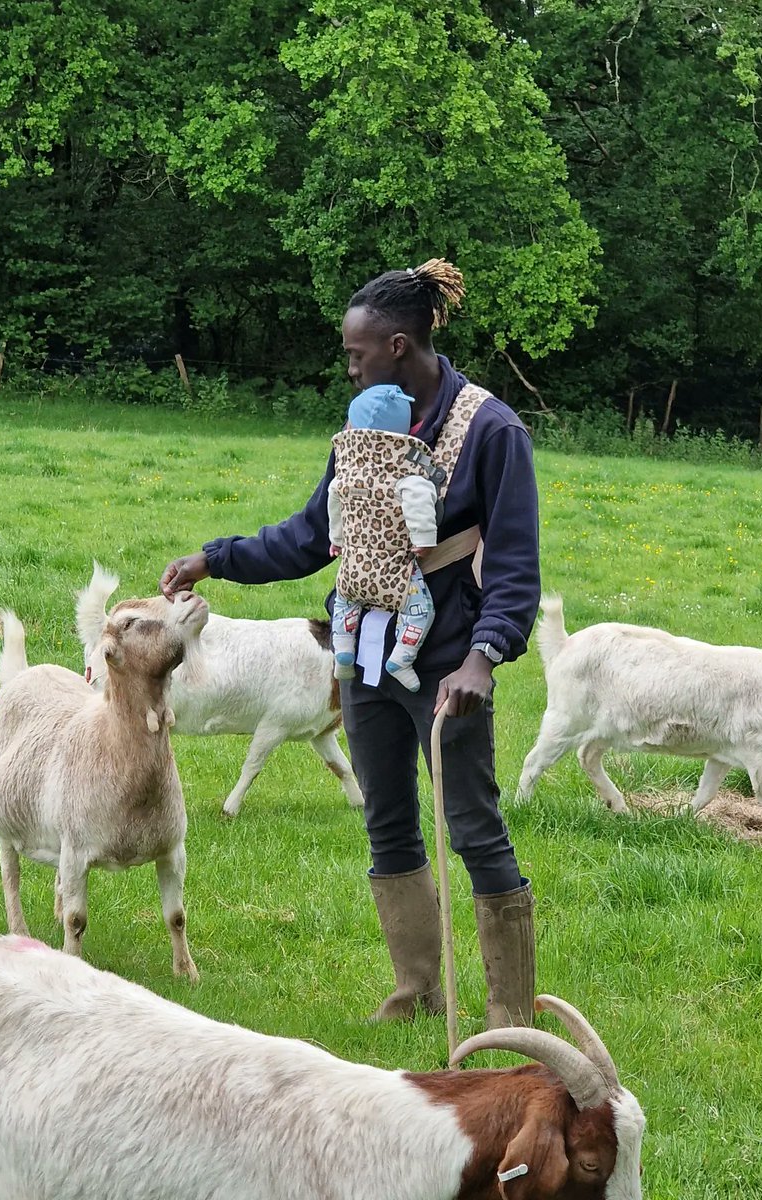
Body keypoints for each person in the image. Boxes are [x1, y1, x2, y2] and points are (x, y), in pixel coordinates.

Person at [160, 258, 541, 1028]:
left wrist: (483, 657)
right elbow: (310, 537)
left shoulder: (493, 430)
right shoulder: (368, 427)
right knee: (389, 821)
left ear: (400, 345)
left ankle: (506, 1010)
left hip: (446, 666)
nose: (349, 364)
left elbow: (514, 566)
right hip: (365, 653)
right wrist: (216, 557)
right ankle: (416, 991)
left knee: (471, 825)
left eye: (356, 353)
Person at [328, 381, 438, 692]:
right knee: (420, 611)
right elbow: (420, 499)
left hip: (353, 568)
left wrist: (336, 539)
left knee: (343, 604)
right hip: (395, 574)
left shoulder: (346, 472)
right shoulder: (405, 471)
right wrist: (424, 540)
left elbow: (333, 500)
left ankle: (344, 652)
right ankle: (402, 657)